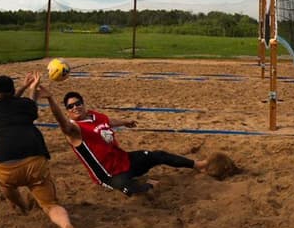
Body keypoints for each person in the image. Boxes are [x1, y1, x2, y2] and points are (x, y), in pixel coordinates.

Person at [38, 84, 207, 196]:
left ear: (83, 104)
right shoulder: (74, 129)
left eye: (78, 103)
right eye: (70, 106)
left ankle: (197, 165)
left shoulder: (95, 115)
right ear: (67, 111)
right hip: (109, 175)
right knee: (139, 191)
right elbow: (60, 121)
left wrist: (125, 122)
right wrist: (50, 98)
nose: (75, 107)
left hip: (124, 160)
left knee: (158, 155)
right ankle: (144, 182)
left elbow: (108, 122)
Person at [0, 73, 78, 228]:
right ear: (12, 89)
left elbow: (7, 104)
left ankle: (22, 206)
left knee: (2, 177)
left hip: (8, 167)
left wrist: (24, 88)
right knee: (51, 206)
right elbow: (27, 105)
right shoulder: (25, 106)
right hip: (35, 161)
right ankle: (65, 226)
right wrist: (32, 87)